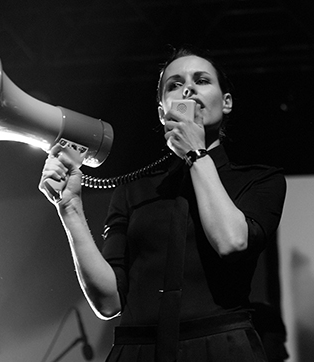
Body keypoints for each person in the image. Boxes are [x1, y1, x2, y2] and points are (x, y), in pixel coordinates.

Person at [38, 46, 287, 362]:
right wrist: (69, 206)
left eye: (202, 80)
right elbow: (109, 302)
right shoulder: (132, 189)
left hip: (221, 350)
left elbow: (231, 241)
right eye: (174, 84)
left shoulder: (260, 180)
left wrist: (196, 153)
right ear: (161, 112)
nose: (188, 88)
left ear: (227, 103)